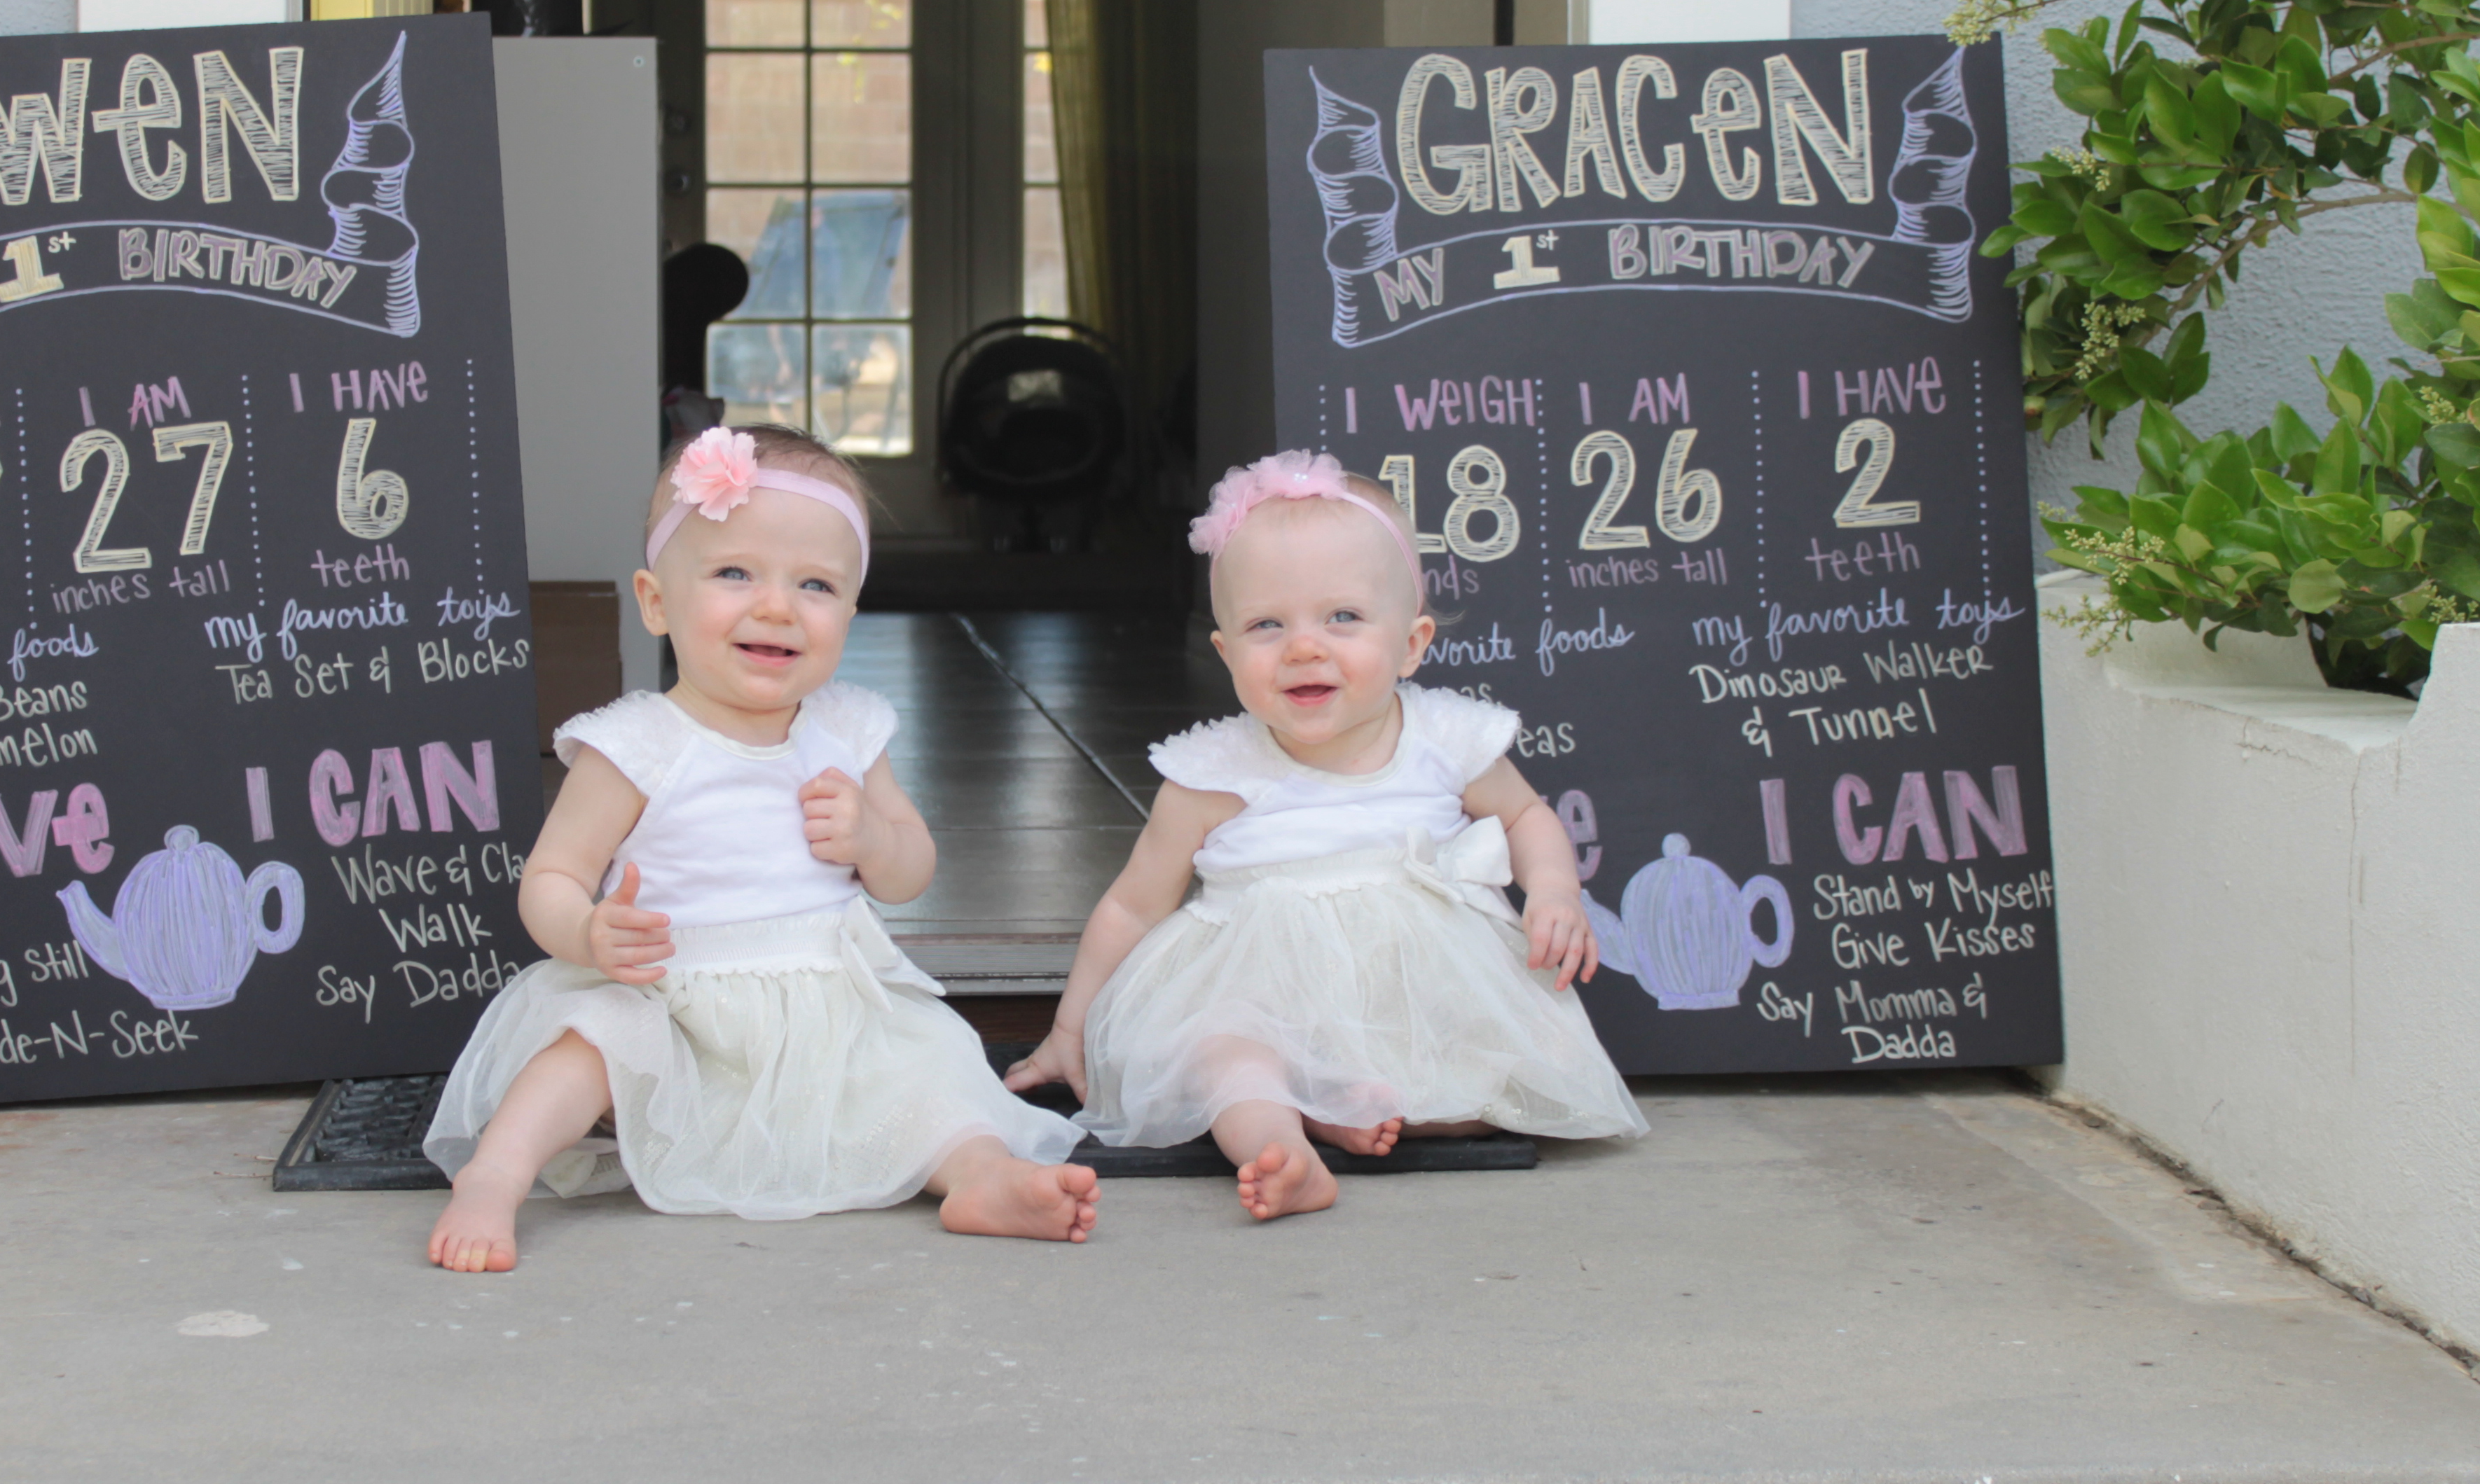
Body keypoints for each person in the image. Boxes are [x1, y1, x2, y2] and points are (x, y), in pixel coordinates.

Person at [425, 424, 1097, 1270]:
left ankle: (982, 1176)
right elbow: (551, 876)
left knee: (928, 1069)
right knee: (587, 1047)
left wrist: (872, 837)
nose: (777, 606)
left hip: (826, 1009)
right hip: (670, 1007)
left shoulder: (848, 730)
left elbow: (911, 869)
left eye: (816, 584)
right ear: (656, 601)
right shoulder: (637, 746)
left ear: (849, 613)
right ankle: (496, 1175)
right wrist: (588, 933)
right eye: (735, 574)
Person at [1005, 450, 1645, 1221]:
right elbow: (1132, 907)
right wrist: (1070, 1025)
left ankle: (1354, 1107)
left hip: (1416, 994)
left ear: (1412, 643)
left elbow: (1524, 815)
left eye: (1343, 617)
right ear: (1225, 653)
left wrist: (1554, 889)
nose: (1304, 647)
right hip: (1262, 996)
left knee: (1497, 1079)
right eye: (1267, 625)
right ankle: (1286, 1145)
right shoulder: (1212, 774)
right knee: (1222, 1059)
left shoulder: (1445, 740)